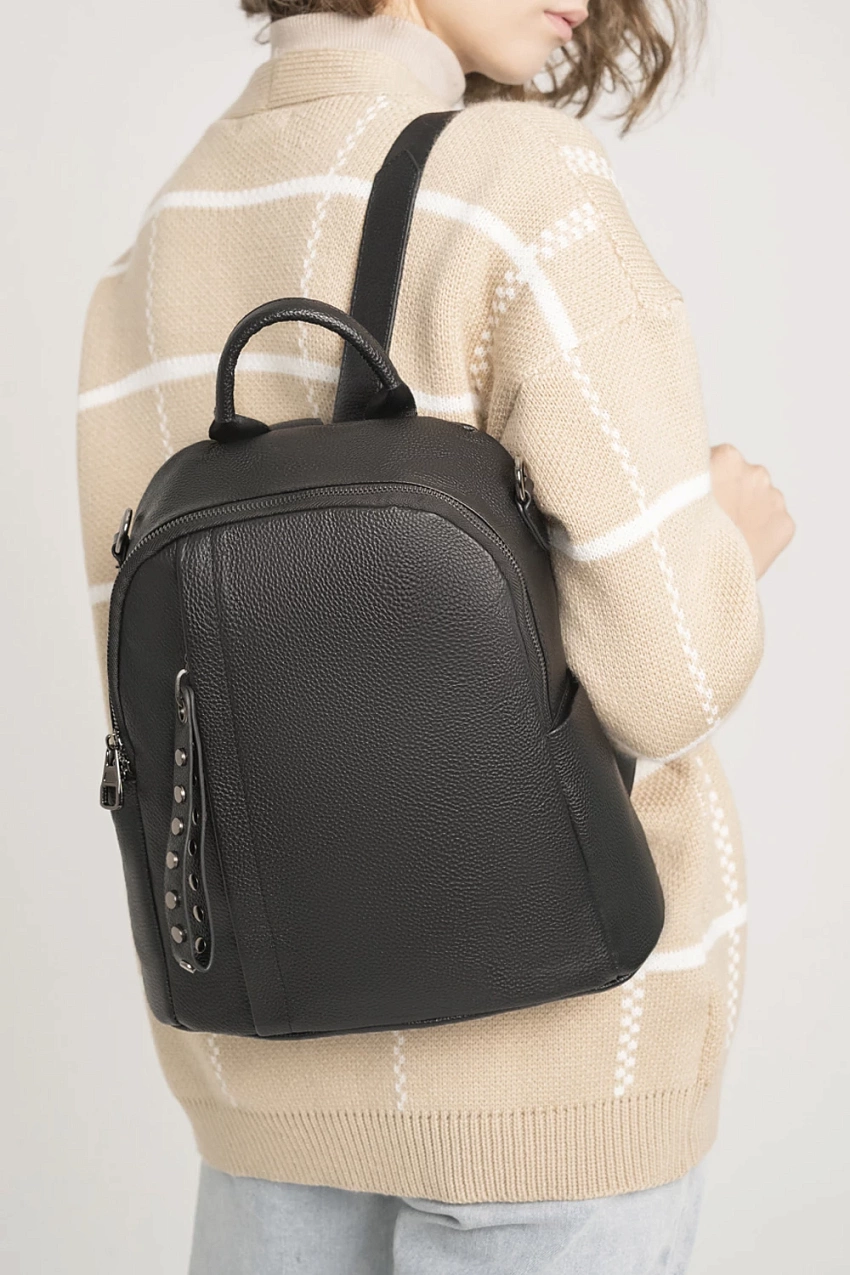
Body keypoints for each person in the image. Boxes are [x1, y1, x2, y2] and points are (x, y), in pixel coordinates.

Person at [75, 1, 795, 1271]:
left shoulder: (153, 246)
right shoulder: (518, 184)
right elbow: (664, 677)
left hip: (262, 1091)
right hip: (551, 1086)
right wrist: (727, 541)